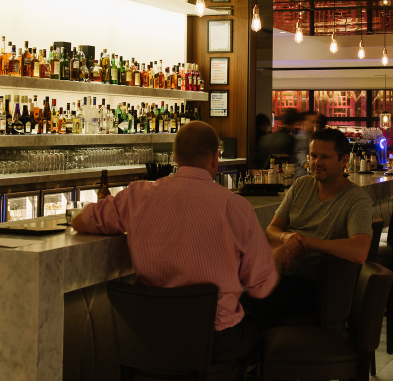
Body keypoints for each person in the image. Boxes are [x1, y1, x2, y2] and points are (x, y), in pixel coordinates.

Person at [72, 121, 278, 368]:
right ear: (215, 158)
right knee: (263, 323)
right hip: (212, 342)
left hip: (147, 340)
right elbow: (262, 285)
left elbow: (81, 220)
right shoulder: (236, 207)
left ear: (175, 157)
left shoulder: (137, 195)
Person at [249, 127, 373, 323]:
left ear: (344, 161)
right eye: (313, 156)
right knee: (231, 292)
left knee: (244, 305)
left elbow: (359, 251)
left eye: (325, 157)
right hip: (282, 277)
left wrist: (303, 242)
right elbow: (271, 230)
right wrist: (286, 237)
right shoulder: (301, 185)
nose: (317, 162)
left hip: (316, 288)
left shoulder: (357, 199)